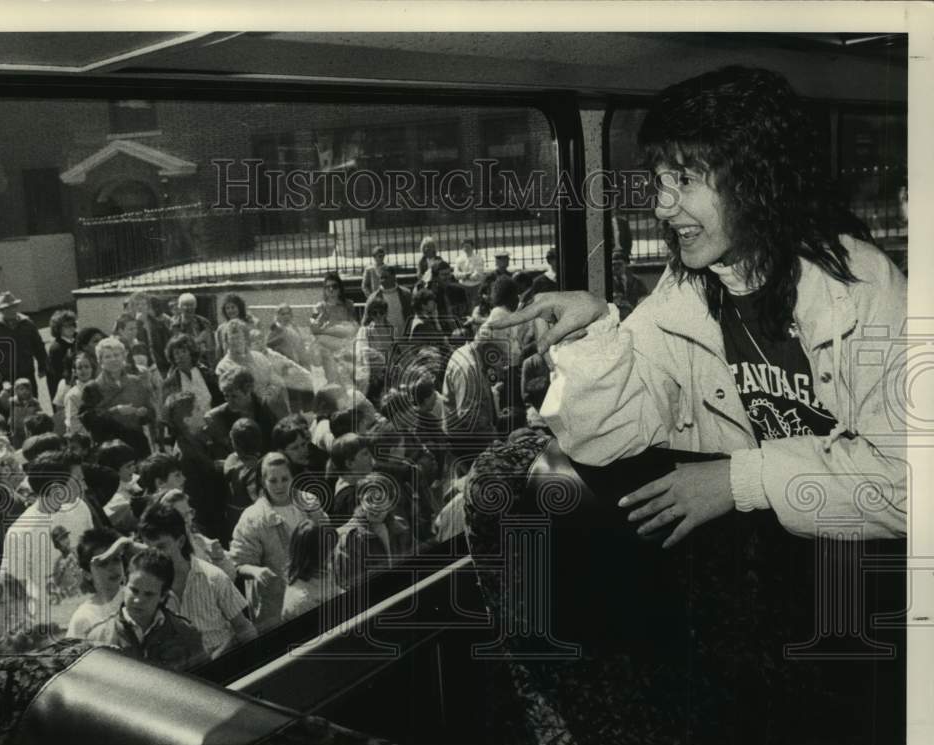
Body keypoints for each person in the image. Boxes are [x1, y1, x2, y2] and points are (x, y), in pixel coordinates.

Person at [489, 65, 907, 547]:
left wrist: (740, 480)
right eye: (659, 180)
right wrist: (592, 335)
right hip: (754, 564)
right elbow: (604, 443)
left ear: (755, 180)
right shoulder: (684, 291)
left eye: (685, 179)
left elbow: (910, 485)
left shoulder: (864, 289)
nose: (662, 207)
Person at [139, 500, 255, 657]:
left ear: (180, 541)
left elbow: (244, 628)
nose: (155, 555)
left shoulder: (214, 578)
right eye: (149, 548)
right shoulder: (145, 588)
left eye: (161, 547)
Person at [230, 452, 329, 630]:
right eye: (273, 481)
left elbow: (327, 540)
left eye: (285, 479)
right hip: (276, 606)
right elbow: (238, 562)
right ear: (263, 482)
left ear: (293, 477)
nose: (280, 486)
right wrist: (255, 571)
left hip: (315, 595)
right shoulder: (253, 518)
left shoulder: (309, 502)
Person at [0, 449, 94, 633]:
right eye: (78, 480)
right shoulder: (21, 532)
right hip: (52, 628)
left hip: (88, 617)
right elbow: (13, 590)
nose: (84, 485)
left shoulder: (81, 509)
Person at [84, 547, 206, 670]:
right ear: (124, 583)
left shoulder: (186, 634)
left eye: (149, 594)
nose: (138, 600)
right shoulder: (98, 638)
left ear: (163, 596)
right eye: (134, 590)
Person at [85, 336, 155, 458]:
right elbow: (89, 421)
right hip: (110, 447)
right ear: (100, 361)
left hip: (137, 443)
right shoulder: (93, 388)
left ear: (124, 357)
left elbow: (151, 411)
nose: (113, 359)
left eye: (117, 355)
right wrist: (115, 411)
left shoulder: (136, 381)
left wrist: (144, 413)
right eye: (107, 356)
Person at [67, 528, 132, 639]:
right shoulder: (84, 616)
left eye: (116, 559)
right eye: (103, 563)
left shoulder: (136, 597)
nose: (112, 568)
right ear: (87, 574)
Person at [205, 367, 279, 461]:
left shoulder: (265, 407)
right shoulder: (217, 416)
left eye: (234, 396)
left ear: (248, 391)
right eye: (226, 396)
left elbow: (277, 438)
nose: (229, 401)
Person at [0, 291, 48, 389]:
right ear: (1, 310)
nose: (11, 310)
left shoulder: (27, 323)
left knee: (30, 396)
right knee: (8, 398)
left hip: (26, 371)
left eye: (13, 307)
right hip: (5, 375)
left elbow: (38, 346)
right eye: (7, 308)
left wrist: (42, 366)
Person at [163, 333, 223, 436]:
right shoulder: (170, 384)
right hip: (190, 435)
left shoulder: (207, 374)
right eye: (176, 353)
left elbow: (220, 400)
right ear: (172, 357)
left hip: (215, 428)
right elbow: (169, 415)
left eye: (184, 351)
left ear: (191, 352)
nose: (181, 356)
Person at [281, 520, 339, 622]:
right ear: (316, 555)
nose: (334, 552)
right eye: (330, 549)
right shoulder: (304, 601)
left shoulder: (322, 570)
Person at [309, 272, 360, 383]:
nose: (331, 290)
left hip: (346, 347)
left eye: (334, 286)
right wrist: (321, 317)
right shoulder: (319, 307)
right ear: (324, 290)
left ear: (340, 289)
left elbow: (354, 326)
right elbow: (313, 328)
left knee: (350, 380)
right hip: (329, 349)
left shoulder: (348, 305)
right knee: (334, 382)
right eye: (327, 287)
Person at [127, 290, 173, 377]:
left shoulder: (159, 324)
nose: (140, 307)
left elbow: (168, 344)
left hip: (161, 366)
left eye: (143, 304)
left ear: (148, 306)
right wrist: (138, 323)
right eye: (137, 304)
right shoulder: (127, 326)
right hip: (140, 367)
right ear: (132, 307)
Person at [364, 266, 413, 341]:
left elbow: (412, 316)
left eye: (385, 277)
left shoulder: (406, 294)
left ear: (393, 277)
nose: (382, 280)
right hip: (384, 340)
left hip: (405, 338)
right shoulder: (373, 298)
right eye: (381, 278)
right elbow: (366, 321)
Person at [170, 292, 216, 367]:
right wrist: (199, 340)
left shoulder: (204, 323)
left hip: (204, 363)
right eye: (185, 305)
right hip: (183, 364)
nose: (189, 308)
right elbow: (176, 347)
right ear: (180, 307)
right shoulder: (175, 325)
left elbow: (211, 348)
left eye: (192, 305)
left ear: (195, 306)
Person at [214, 293, 261, 362]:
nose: (230, 310)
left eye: (233, 307)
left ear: (239, 308)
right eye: (227, 308)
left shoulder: (250, 324)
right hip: (229, 363)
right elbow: (219, 351)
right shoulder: (221, 328)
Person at [266, 303, 313, 370]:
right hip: (285, 367)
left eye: (288, 313)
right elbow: (269, 350)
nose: (286, 316)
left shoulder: (294, 328)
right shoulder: (274, 330)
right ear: (277, 316)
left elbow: (301, 347)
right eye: (283, 314)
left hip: (299, 364)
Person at [45, 309, 78, 401]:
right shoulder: (56, 348)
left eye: (73, 324)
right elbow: (57, 374)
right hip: (63, 386)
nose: (71, 328)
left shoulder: (79, 339)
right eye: (67, 326)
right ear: (58, 328)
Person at [611, 249, 650, 319]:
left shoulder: (636, 281)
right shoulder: (607, 283)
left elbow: (646, 297)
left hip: (635, 317)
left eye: (619, 264)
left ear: (626, 264)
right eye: (613, 264)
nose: (616, 267)